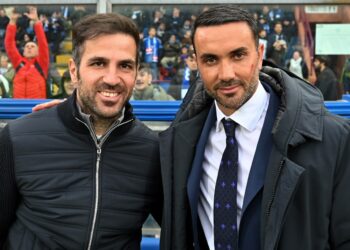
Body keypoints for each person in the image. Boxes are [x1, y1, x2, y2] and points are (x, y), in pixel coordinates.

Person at [159, 5, 350, 250]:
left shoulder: (333, 138)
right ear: (196, 62)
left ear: (260, 54)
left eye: (238, 55)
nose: (226, 74)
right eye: (210, 59)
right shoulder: (180, 140)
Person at [0, 13, 162, 249]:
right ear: (74, 71)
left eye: (125, 65)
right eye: (98, 63)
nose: (112, 78)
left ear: (136, 72)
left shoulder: (153, 150)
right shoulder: (18, 137)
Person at [4, 6, 49, 99]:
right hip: (18, 107)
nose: (29, 48)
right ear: (23, 51)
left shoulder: (42, 63)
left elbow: (42, 42)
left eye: (32, 46)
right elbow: (9, 44)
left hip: (37, 107)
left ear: (38, 51)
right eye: (27, 46)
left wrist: (36, 21)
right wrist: (12, 21)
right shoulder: (18, 63)